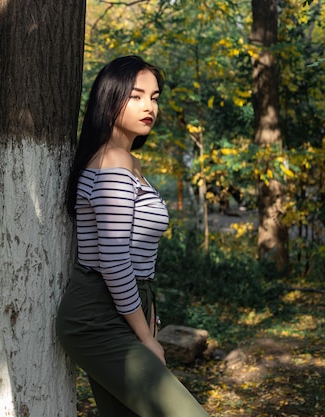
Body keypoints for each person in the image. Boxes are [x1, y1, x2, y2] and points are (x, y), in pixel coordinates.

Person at [56, 55, 211, 417]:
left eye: (155, 97)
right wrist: (146, 337)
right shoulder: (113, 161)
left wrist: (147, 316)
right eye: (137, 96)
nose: (149, 107)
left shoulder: (125, 161)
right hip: (97, 319)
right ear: (110, 98)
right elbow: (112, 260)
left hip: (120, 310)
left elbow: (136, 259)